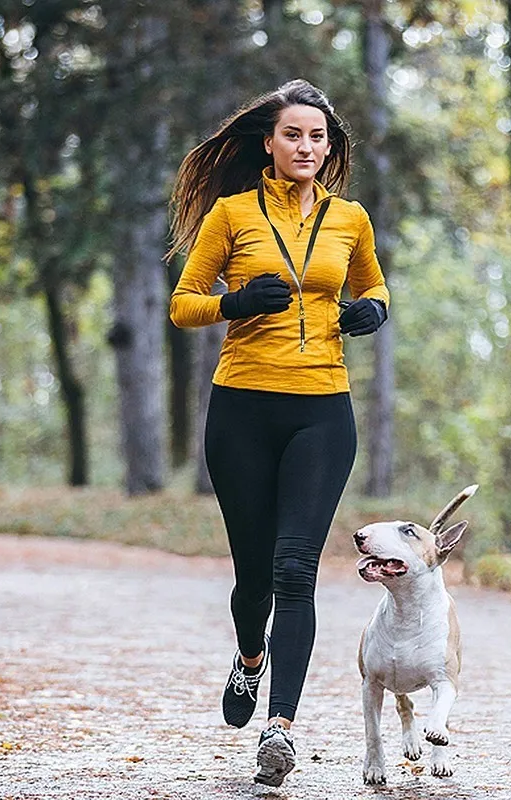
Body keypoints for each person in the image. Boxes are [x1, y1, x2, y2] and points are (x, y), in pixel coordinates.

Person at [166, 78, 389, 787]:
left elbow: (375, 286)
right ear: (269, 141)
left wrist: (371, 313)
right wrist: (232, 301)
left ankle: (281, 728)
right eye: (294, 134)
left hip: (322, 409)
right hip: (242, 411)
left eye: (318, 137)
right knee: (255, 578)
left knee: (297, 569)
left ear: (330, 147)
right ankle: (249, 660)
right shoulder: (231, 214)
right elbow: (183, 305)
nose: (306, 146)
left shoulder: (351, 218)